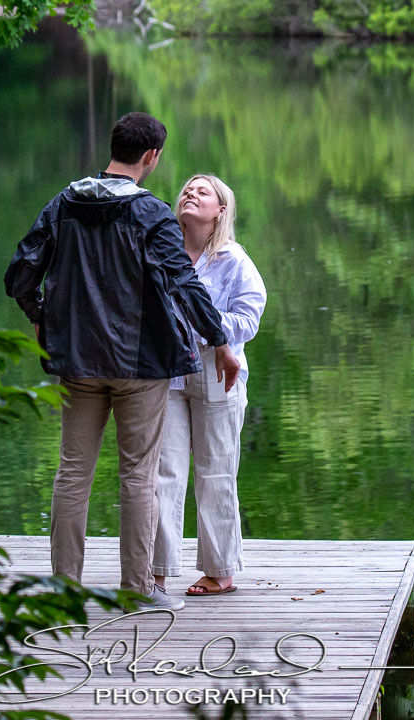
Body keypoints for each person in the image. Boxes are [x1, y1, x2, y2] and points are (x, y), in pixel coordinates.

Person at [3, 113, 241, 611]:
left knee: (72, 473)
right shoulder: (152, 213)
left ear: (114, 146)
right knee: (138, 476)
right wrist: (220, 341)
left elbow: (20, 273)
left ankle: (64, 586)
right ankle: (139, 588)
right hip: (140, 365)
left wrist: (40, 316)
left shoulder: (63, 203)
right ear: (151, 156)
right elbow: (184, 283)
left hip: (77, 364)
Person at [152, 174, 266, 597]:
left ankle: (220, 570)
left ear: (220, 210)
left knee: (216, 470)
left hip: (218, 367)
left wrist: (204, 328)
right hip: (166, 369)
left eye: (202, 192)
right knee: (162, 472)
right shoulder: (161, 253)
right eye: (187, 189)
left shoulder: (234, 260)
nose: (190, 194)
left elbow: (248, 319)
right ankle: (156, 570)